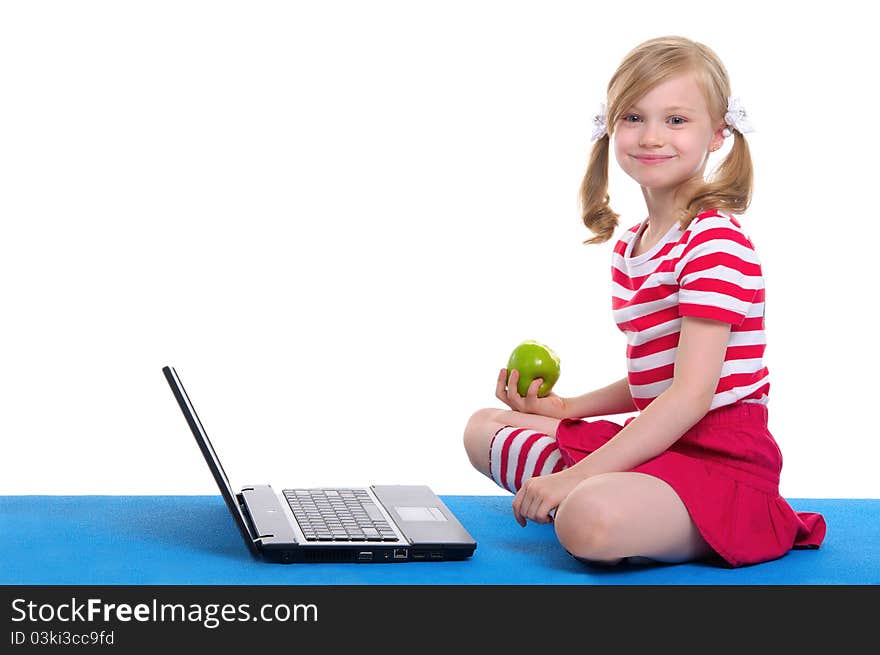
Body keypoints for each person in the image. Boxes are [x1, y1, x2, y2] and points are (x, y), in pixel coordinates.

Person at [463, 35, 826, 567]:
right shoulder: (634, 246)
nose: (652, 136)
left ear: (717, 132)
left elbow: (689, 396)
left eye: (676, 120)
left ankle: (666, 514)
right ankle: (617, 495)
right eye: (634, 117)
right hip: (658, 439)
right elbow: (655, 379)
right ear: (611, 126)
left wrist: (577, 474)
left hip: (721, 462)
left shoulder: (715, 243)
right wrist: (567, 408)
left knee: (589, 520)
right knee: (483, 427)